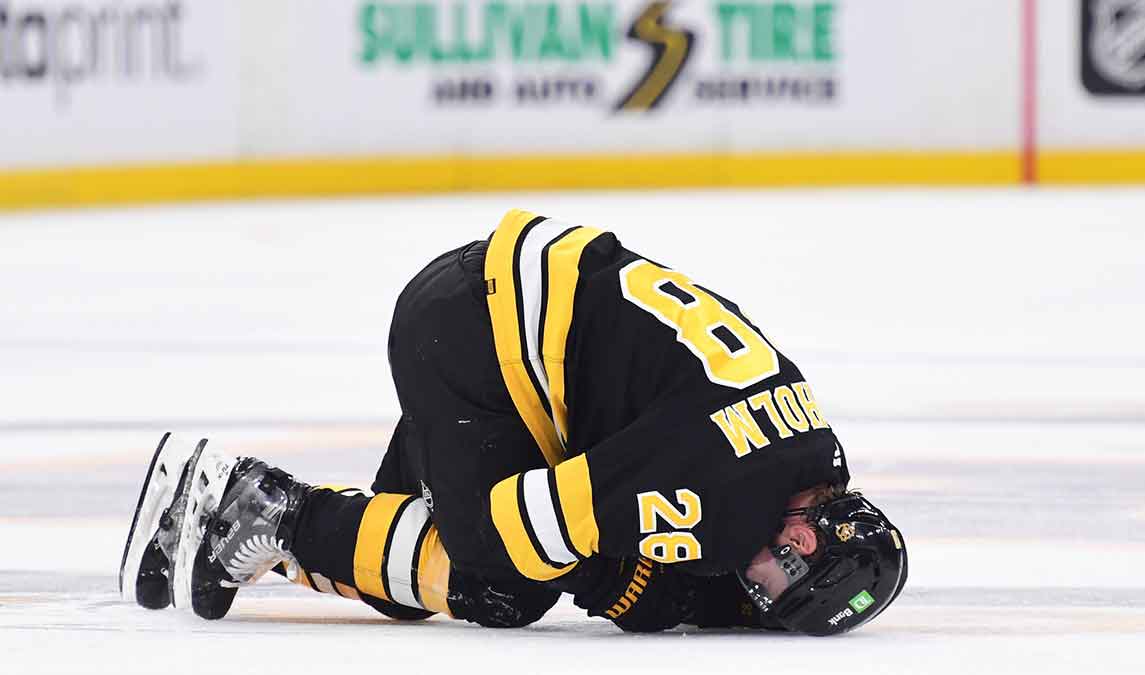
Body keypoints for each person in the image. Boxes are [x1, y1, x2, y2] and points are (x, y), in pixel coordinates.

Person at [119, 209, 907, 635]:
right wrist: (651, 593)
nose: (755, 588)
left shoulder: (809, 444)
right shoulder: (727, 500)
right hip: (477, 341)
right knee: (495, 579)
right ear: (803, 536)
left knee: (401, 576)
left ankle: (268, 531)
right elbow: (522, 532)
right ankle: (267, 505)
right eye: (776, 578)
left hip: (504, 310)